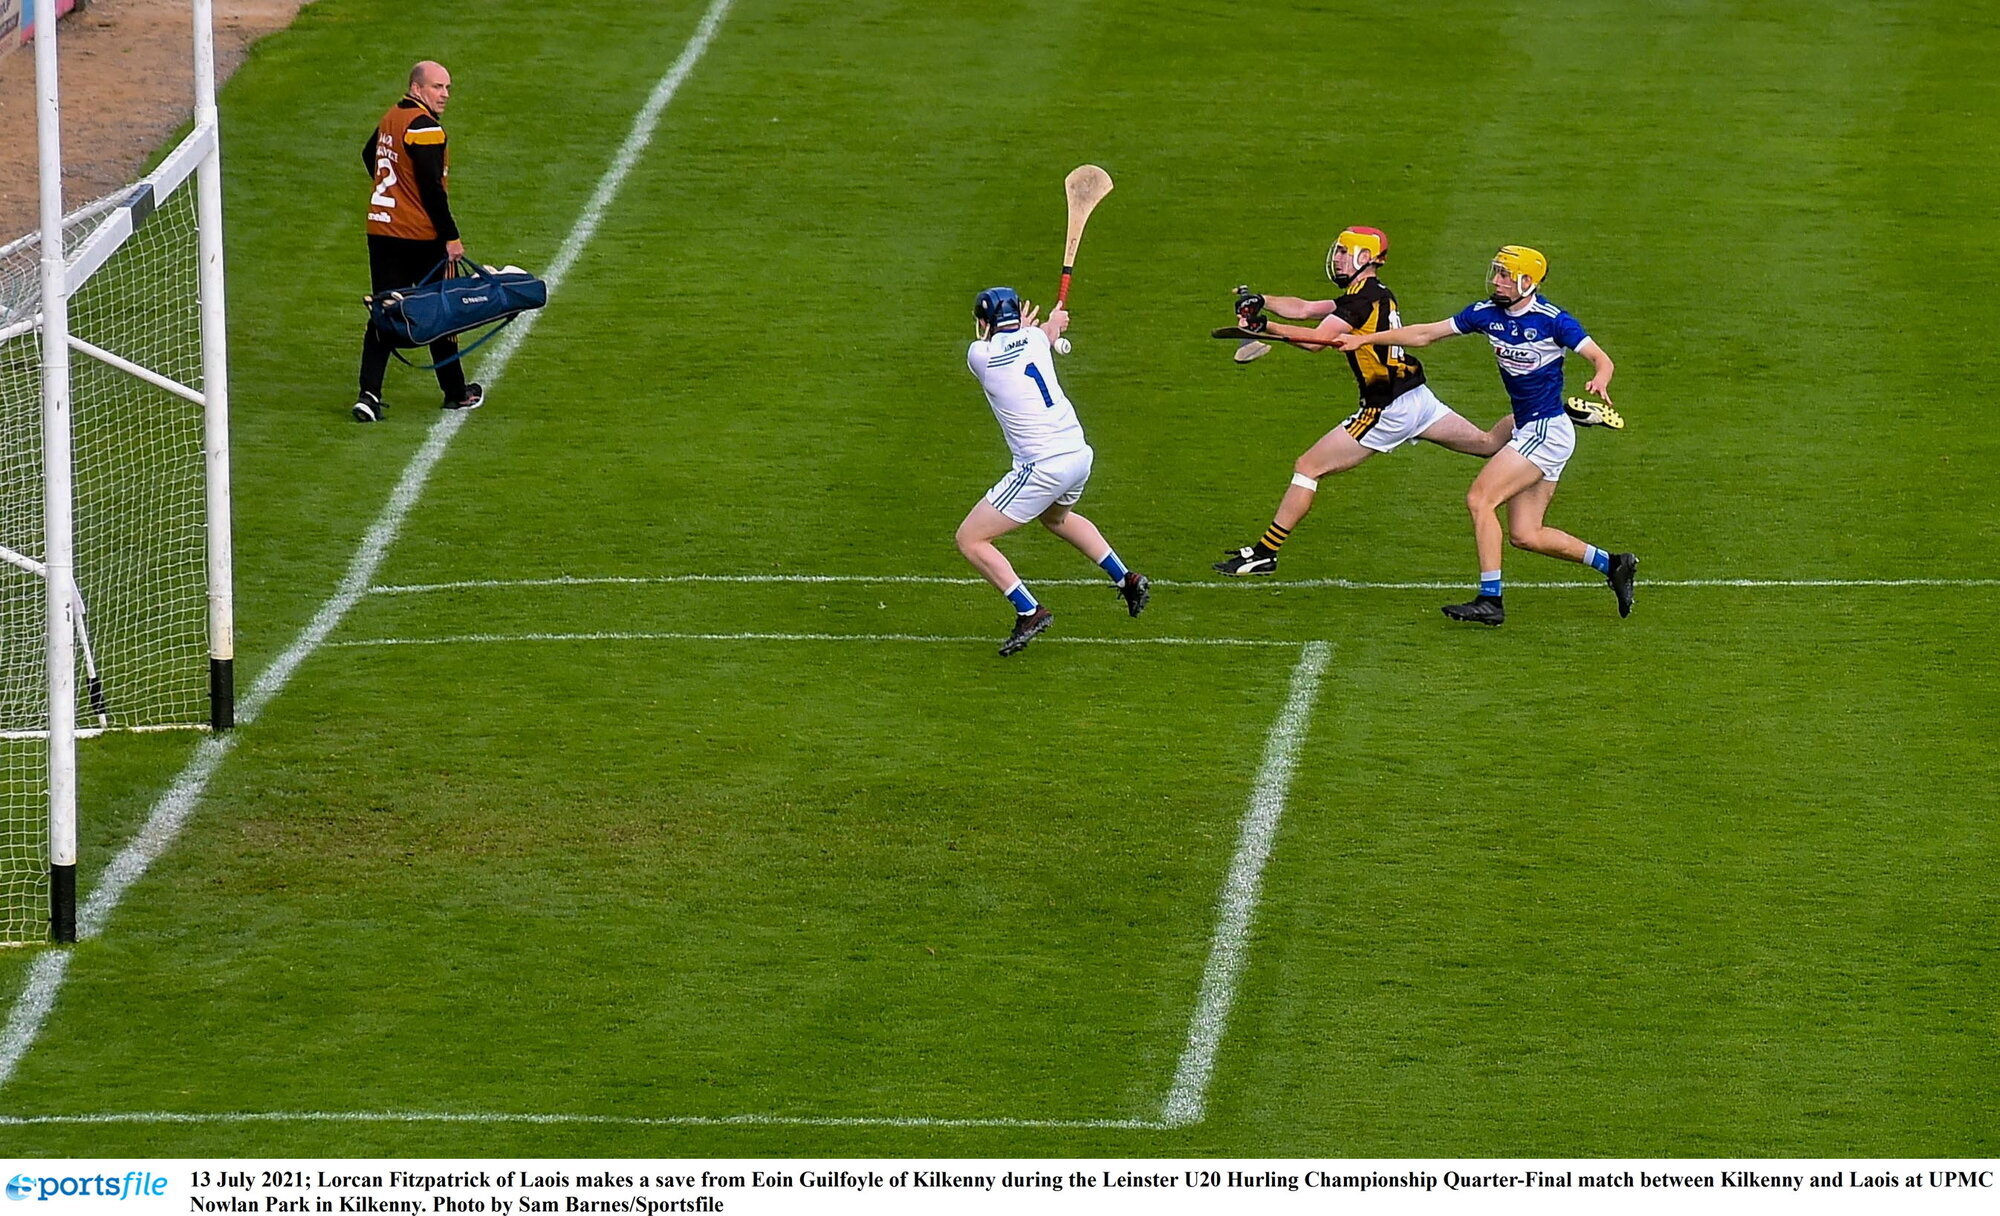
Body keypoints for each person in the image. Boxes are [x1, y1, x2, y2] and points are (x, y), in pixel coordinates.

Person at [1332, 245, 1636, 625]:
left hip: (1545, 432)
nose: (1497, 281)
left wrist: (1600, 378)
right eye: (1496, 272)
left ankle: (1490, 600)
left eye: (1506, 275)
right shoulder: (1485, 313)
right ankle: (1614, 564)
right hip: (1533, 428)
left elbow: (1601, 359)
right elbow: (1427, 333)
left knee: (1480, 499)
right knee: (1526, 534)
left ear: (1528, 282)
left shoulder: (1554, 321)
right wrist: (1365, 340)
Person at [1213, 227, 1515, 577]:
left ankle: (1265, 553)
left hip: (1386, 408)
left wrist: (1266, 327)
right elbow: (1306, 309)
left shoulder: (1360, 301)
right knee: (1486, 443)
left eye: (1345, 252)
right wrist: (1262, 300)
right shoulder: (1369, 293)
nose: (1338, 259)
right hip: (1417, 397)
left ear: (1364, 258)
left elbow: (1315, 341)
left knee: (1308, 467)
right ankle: (1544, 417)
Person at [955, 287, 1149, 656]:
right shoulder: (1034, 341)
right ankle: (1126, 578)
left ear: (984, 322)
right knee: (1056, 519)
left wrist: (1045, 326)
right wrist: (1051, 324)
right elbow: (1040, 336)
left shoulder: (980, 354)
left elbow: (1016, 342)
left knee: (971, 539)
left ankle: (1029, 611)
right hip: (1078, 455)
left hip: (1041, 467)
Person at [354, 60, 484, 423]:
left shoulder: (392, 117)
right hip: (419, 235)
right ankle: (455, 392)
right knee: (441, 310)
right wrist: (451, 236)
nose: (444, 95)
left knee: (385, 311)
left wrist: (396, 192)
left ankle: (369, 394)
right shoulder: (425, 128)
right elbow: (431, 189)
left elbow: (369, 154)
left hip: (381, 230)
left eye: (447, 88)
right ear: (416, 88)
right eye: (437, 87)